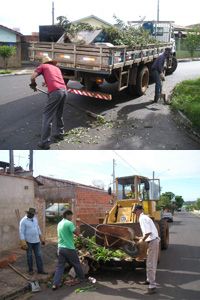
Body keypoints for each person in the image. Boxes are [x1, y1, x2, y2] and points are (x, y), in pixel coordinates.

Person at [29, 56, 67, 150]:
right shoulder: (56, 68)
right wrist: (46, 84)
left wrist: (33, 84)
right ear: (51, 62)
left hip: (56, 92)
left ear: (44, 63)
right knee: (59, 114)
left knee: (47, 116)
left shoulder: (43, 66)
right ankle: (60, 134)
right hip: (64, 91)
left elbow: (32, 76)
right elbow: (56, 80)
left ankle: (44, 142)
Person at [52, 209, 85, 290]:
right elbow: (76, 233)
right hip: (69, 248)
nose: (71, 217)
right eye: (71, 215)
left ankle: (55, 284)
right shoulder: (69, 223)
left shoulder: (59, 223)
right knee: (76, 264)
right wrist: (78, 226)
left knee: (60, 266)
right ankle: (81, 278)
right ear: (67, 215)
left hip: (60, 248)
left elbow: (66, 233)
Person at [133, 205, 160, 295]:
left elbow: (148, 233)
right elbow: (148, 233)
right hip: (153, 241)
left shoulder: (142, 218)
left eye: (135, 211)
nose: (135, 214)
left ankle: (152, 287)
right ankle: (149, 280)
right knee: (150, 262)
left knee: (150, 264)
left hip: (152, 242)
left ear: (139, 210)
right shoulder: (145, 217)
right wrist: (139, 237)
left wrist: (141, 240)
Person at [19, 207, 47, 275]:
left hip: (36, 241)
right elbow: (21, 232)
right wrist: (23, 242)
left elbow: (38, 228)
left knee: (39, 255)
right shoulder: (23, 221)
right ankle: (30, 270)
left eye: (33, 214)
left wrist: (41, 239)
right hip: (28, 242)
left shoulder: (35, 219)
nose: (32, 215)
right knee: (29, 256)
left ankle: (40, 270)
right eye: (31, 214)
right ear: (28, 213)